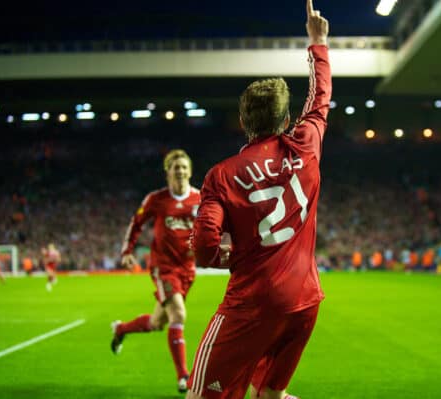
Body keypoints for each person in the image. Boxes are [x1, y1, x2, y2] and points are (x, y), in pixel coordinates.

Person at [187, 2, 330, 398]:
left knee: (202, 396)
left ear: (243, 120)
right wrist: (317, 43)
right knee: (270, 395)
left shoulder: (221, 175)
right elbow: (319, 99)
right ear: (286, 121)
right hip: (304, 302)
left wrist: (228, 257)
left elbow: (203, 250)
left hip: (251, 307)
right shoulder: (306, 145)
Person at [110, 149, 200, 393]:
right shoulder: (156, 199)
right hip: (163, 267)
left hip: (187, 269)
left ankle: (121, 329)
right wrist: (127, 251)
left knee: (157, 322)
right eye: (175, 168)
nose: (180, 171)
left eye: (183, 167)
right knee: (178, 314)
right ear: (168, 173)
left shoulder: (200, 199)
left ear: (190, 171)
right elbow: (136, 223)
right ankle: (184, 376)